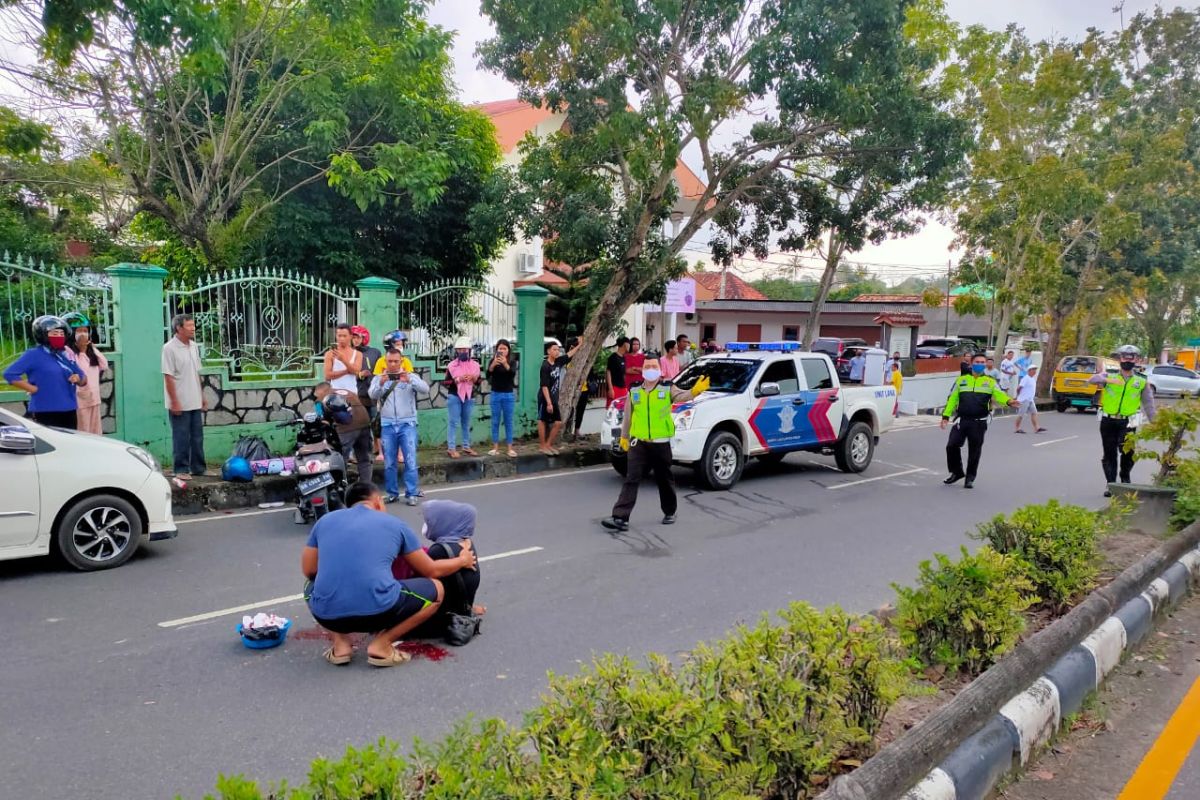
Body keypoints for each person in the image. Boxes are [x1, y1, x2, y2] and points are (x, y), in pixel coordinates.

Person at [301, 482, 477, 667]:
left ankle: (341, 645)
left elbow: (309, 570)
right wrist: (462, 560)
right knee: (437, 589)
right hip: (380, 613)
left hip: (329, 617)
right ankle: (382, 645)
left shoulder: (324, 522)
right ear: (377, 501)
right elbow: (431, 570)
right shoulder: (395, 524)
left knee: (309, 585)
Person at [601, 355, 710, 531]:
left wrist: (695, 391)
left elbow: (682, 397)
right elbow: (628, 415)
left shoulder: (667, 388)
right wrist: (624, 437)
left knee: (664, 478)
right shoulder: (635, 390)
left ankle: (670, 511)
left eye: (653, 366)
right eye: (647, 366)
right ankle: (620, 517)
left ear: (659, 370)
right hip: (639, 442)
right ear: (643, 370)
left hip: (661, 442)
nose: (650, 369)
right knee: (632, 478)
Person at [941, 352, 1019, 489]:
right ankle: (957, 472)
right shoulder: (961, 380)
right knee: (951, 446)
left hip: (979, 422)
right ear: (971, 363)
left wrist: (1009, 401)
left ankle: (970, 478)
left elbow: (999, 394)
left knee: (974, 450)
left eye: (982, 363)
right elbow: (952, 399)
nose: (980, 365)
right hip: (962, 420)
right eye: (977, 362)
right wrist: (945, 416)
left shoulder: (990, 381)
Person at [1089, 345, 1156, 496]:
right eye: (1124, 356)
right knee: (1109, 453)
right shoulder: (1110, 376)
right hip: (1108, 420)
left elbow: (1148, 404)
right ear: (1119, 358)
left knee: (1127, 452)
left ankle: (1125, 479)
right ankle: (1111, 484)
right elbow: (1091, 380)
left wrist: (1156, 423)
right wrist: (1103, 377)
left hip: (1129, 422)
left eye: (1131, 357)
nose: (1127, 359)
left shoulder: (1141, 380)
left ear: (1136, 359)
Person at [3, 314, 86, 430]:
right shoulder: (33, 354)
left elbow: (83, 377)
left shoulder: (63, 355)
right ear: (43, 335)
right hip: (45, 410)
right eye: (55, 334)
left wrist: (78, 378)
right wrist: (32, 388)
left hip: (69, 409)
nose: (59, 336)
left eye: (62, 334)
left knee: (69, 444)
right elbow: (9, 374)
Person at [370, 350, 429, 505]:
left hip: (407, 424)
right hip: (388, 425)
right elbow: (372, 395)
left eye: (396, 361)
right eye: (390, 361)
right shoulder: (379, 378)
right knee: (389, 462)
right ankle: (392, 493)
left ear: (401, 361)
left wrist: (409, 379)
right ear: (386, 362)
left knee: (410, 459)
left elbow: (425, 389)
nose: (393, 364)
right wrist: (381, 384)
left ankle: (411, 493)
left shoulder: (410, 376)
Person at [419, 499, 486, 622]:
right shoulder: (466, 542)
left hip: (447, 611)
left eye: (430, 522)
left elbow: (425, 572)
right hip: (463, 604)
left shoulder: (440, 550)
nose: (427, 524)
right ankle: (467, 608)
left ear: (444, 523)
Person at [161, 313, 207, 477]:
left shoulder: (194, 346)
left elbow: (197, 374)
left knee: (197, 438)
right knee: (181, 438)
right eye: (189, 326)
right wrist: (174, 402)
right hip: (179, 402)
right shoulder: (169, 348)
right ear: (179, 328)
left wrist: (202, 396)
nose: (193, 328)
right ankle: (180, 469)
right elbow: (168, 376)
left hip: (194, 400)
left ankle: (198, 468)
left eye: (193, 325)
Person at [314, 382, 373, 486]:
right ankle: (366, 487)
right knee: (364, 458)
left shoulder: (322, 398)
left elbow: (321, 419)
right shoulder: (347, 392)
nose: (316, 397)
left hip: (347, 427)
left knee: (340, 458)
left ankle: (340, 486)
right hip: (364, 422)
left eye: (316, 394)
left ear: (320, 391)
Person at [63, 313, 109, 435]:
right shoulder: (68, 351)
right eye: (79, 331)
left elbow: (104, 364)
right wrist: (82, 350)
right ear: (71, 333)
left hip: (94, 398)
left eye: (85, 330)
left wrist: (91, 349)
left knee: (96, 432)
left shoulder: (90, 350)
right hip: (80, 400)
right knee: (83, 431)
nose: (83, 334)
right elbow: (80, 369)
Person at [539, 337, 582, 455]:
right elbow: (544, 386)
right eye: (554, 349)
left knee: (558, 422)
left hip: (553, 397)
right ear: (548, 351)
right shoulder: (545, 366)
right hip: (545, 397)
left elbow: (569, 354)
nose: (557, 352)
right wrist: (548, 402)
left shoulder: (558, 362)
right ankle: (542, 446)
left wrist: (579, 345)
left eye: (558, 350)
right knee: (542, 420)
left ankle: (548, 444)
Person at [444, 337, 480, 458]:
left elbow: (479, 381)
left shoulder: (475, 365)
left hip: (469, 397)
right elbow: (446, 383)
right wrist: (458, 379)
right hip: (454, 396)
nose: (463, 351)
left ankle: (466, 446)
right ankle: (451, 448)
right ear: (456, 351)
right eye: (460, 349)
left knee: (466, 422)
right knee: (453, 422)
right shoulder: (451, 365)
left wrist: (474, 378)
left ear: (469, 350)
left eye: (465, 349)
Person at [486, 339, 518, 457]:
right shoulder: (492, 361)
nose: (502, 351)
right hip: (495, 394)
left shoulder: (512, 362)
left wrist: (505, 363)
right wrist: (493, 364)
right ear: (496, 350)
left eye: (505, 348)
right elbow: (488, 375)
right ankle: (495, 448)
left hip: (508, 395)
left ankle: (510, 449)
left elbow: (512, 374)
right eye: (500, 348)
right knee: (495, 421)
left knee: (508, 422)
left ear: (508, 350)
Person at [323, 323, 364, 393]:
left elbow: (356, 371)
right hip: (335, 393)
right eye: (339, 336)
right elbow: (327, 376)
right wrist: (346, 371)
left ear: (350, 336)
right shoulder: (329, 354)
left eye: (344, 336)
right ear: (336, 336)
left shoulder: (358, 354)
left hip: (352, 393)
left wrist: (343, 360)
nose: (342, 339)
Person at [1013, 364, 1046, 434]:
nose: (1035, 371)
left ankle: (1037, 428)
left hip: (1030, 400)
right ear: (1029, 371)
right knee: (1021, 415)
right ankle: (1017, 428)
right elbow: (1019, 388)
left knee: (1034, 413)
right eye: (1033, 370)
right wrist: (1019, 396)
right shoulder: (1026, 378)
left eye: (1035, 370)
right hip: (1024, 400)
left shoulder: (1033, 379)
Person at [606, 337, 630, 408]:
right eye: (629, 343)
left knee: (622, 410)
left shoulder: (624, 358)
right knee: (613, 410)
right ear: (625, 344)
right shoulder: (613, 357)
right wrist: (610, 389)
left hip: (623, 388)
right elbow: (608, 373)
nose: (630, 345)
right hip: (614, 387)